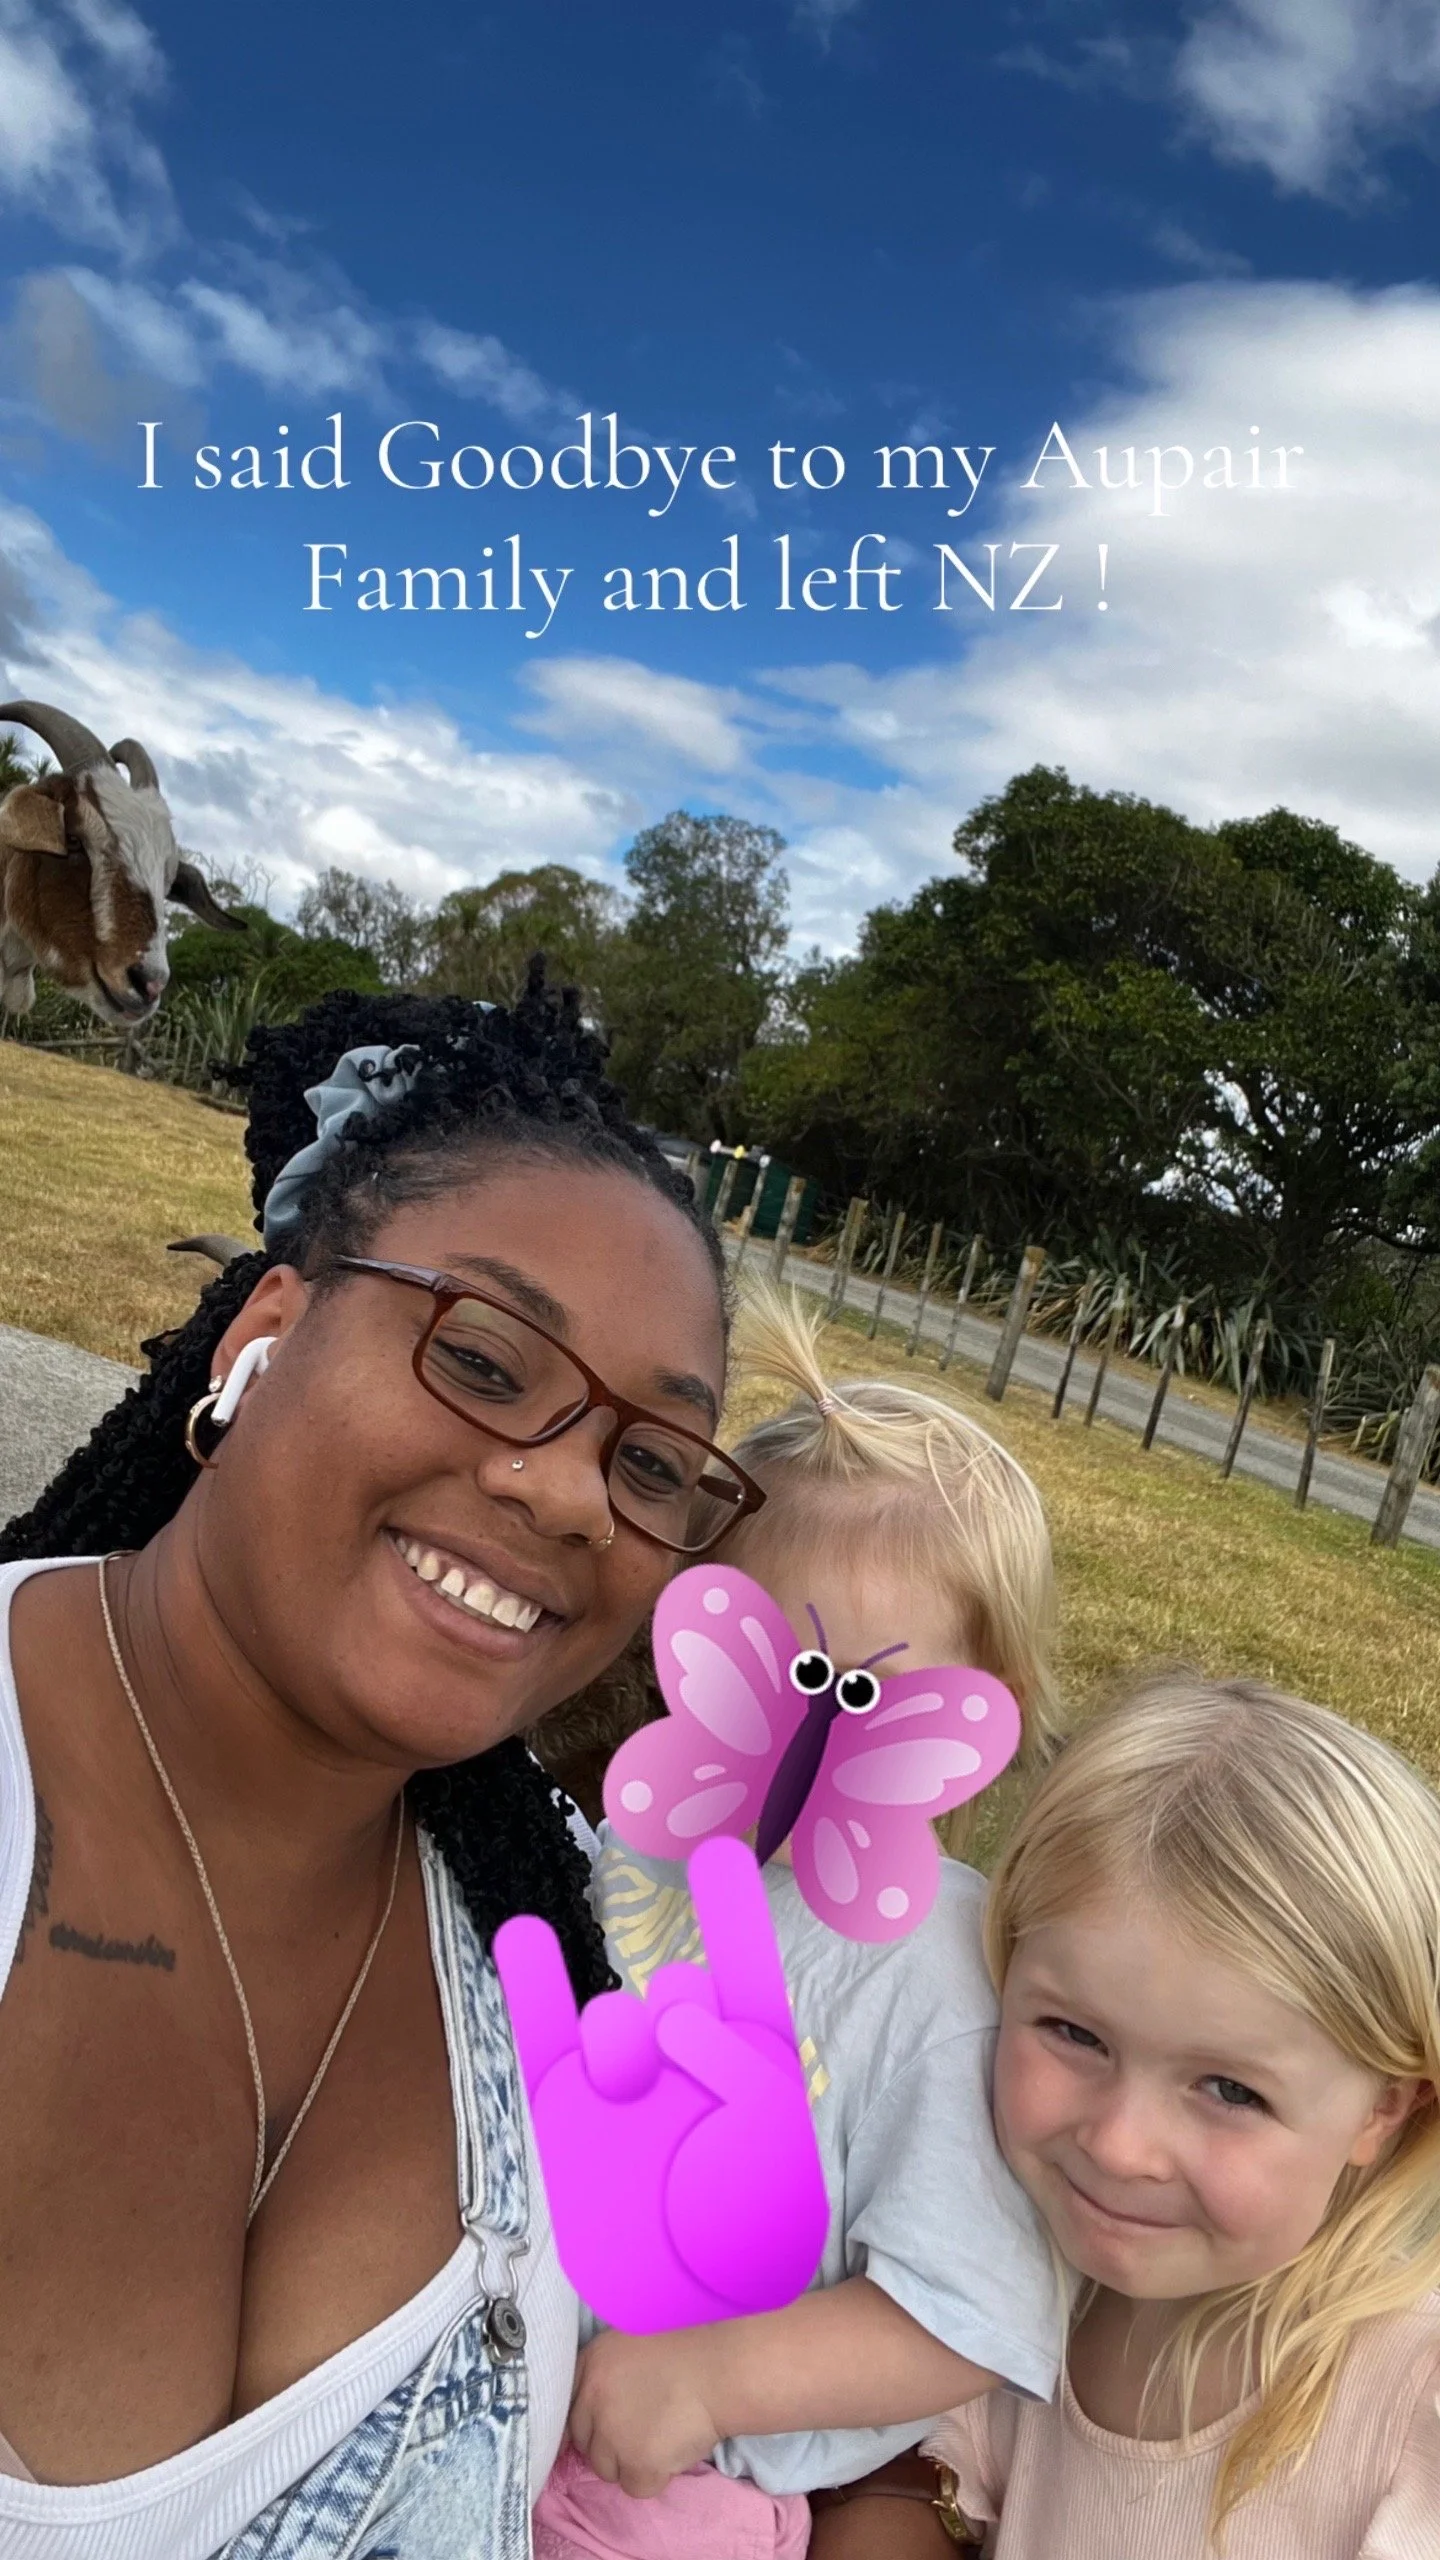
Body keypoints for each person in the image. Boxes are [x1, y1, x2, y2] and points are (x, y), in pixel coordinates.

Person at [0, 969, 756, 2559]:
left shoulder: (575, 1955)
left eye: (649, 1462)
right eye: (483, 1359)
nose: (567, 1500)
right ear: (269, 1329)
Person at [533, 1287, 1067, 2560]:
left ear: (983, 1722)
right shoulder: (643, 1847)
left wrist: (715, 2379)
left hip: (673, 2486)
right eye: (762, 1657)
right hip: (522, 2390)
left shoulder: (940, 1974)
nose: (809, 1722)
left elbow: (967, 2310)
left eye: (871, 1685)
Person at [894, 1671, 1440, 2560]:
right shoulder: (1002, 2273)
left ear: (1383, 2106)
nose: (1119, 2144)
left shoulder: (1411, 2405)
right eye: (1074, 2034)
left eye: (1230, 2091)